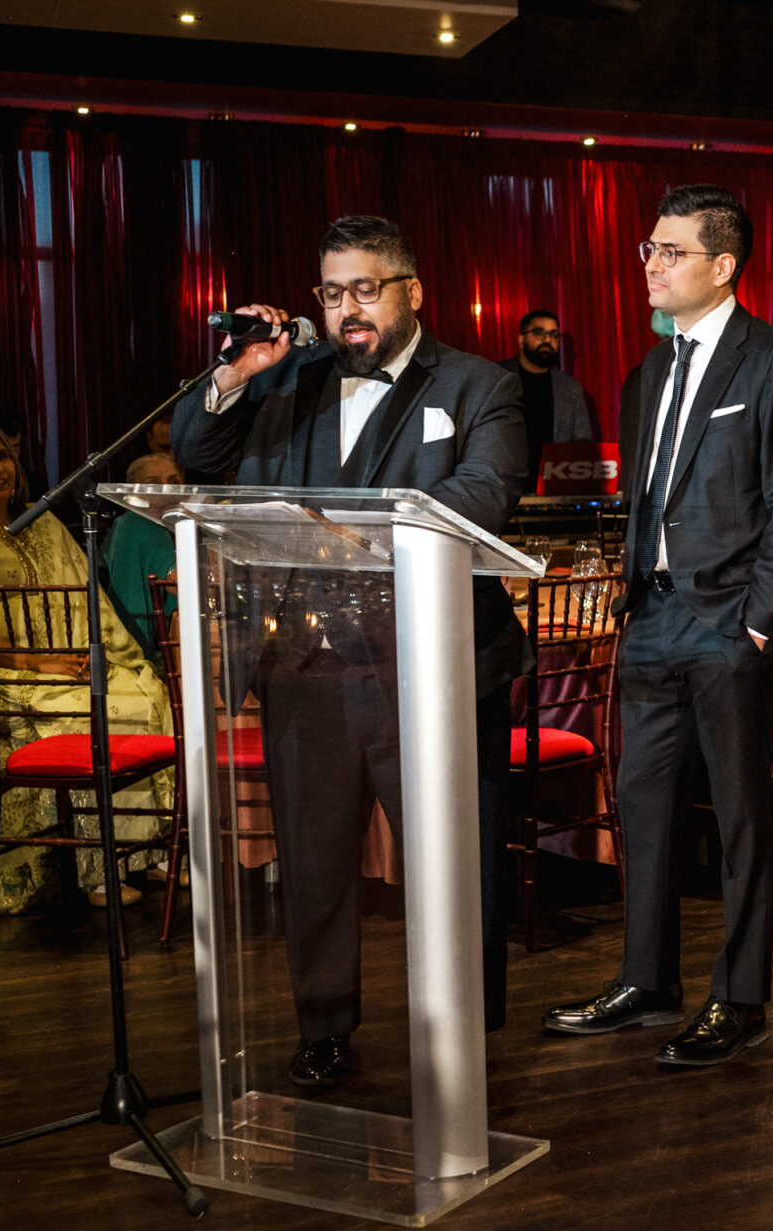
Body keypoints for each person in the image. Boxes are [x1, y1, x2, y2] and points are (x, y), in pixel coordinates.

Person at [171, 215, 528, 1085]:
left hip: (429, 666)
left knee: (453, 860)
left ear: (412, 290)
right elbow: (194, 450)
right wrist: (235, 373)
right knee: (316, 865)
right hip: (305, 665)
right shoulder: (283, 379)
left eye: (366, 289)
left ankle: (460, 1028)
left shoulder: (483, 384)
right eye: (332, 294)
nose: (347, 310)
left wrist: (354, 532)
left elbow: (485, 490)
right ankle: (323, 1025)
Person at [541, 184, 773, 1066]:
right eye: (649, 250)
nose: (652, 266)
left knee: (741, 819)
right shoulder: (646, 371)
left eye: (670, 251)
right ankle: (647, 979)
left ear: (723, 264)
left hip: (728, 622)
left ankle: (739, 998)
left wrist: (759, 627)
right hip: (653, 617)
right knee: (644, 806)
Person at [0, 421, 175, 913]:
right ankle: (101, 869)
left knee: (143, 694)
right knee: (90, 714)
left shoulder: (44, 523)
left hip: (65, 663)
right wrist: (41, 662)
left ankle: (147, 852)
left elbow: (89, 601)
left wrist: (106, 656)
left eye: (2, 456)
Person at [100, 451, 184, 665]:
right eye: (153, 484)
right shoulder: (133, 525)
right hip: (148, 654)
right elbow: (182, 585)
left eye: (174, 481)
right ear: (133, 496)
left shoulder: (190, 529)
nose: (166, 489)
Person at [498, 308, 600, 481]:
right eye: (539, 333)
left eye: (553, 334)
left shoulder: (570, 388)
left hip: (555, 487)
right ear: (521, 340)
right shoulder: (497, 378)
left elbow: (583, 446)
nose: (547, 340)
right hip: (505, 483)